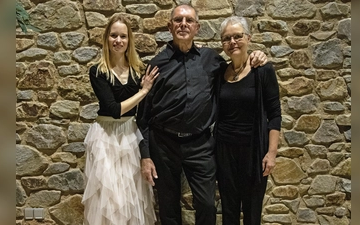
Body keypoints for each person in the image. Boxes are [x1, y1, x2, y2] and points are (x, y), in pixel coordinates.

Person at [136, 4, 268, 225]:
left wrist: (257, 55)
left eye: (189, 21)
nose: (183, 24)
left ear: (197, 27)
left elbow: (237, 68)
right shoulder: (157, 64)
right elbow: (143, 116)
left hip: (201, 145)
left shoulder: (212, 60)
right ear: (170, 26)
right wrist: (146, 155)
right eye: (178, 20)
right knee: (168, 207)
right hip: (163, 145)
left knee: (207, 204)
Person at [82, 15, 159, 225]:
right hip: (105, 136)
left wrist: (143, 89)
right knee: (108, 197)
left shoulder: (137, 70)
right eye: (113, 35)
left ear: (129, 40)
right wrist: (144, 91)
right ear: (106, 38)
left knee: (131, 196)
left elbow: (141, 113)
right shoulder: (98, 71)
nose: (118, 40)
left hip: (129, 136)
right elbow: (113, 109)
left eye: (123, 36)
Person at [214, 16, 282, 225]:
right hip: (224, 152)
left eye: (237, 36)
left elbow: (275, 114)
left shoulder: (262, 71)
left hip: (254, 152)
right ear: (222, 44)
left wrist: (271, 154)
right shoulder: (219, 73)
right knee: (229, 210)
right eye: (227, 38)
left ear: (248, 38)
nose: (232, 42)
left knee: (252, 212)